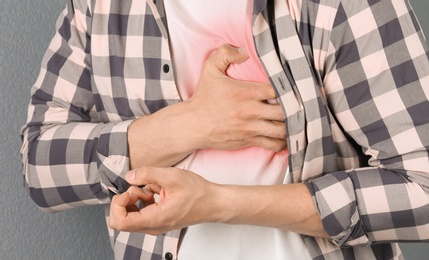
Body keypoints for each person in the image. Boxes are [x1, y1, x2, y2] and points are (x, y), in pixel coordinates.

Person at [20, 0, 429, 259]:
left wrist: (220, 202)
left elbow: (423, 188)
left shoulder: (335, 6)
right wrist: (194, 124)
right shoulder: (99, 8)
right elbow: (40, 164)